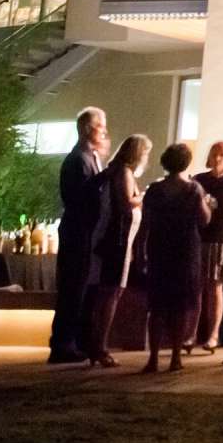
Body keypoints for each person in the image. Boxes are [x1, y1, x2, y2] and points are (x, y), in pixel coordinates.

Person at [139, 142, 212, 373]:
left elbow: (145, 224)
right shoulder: (193, 190)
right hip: (185, 250)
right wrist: (209, 205)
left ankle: (152, 358)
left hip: (159, 249)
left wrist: (139, 250)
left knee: (157, 306)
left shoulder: (154, 190)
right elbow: (204, 220)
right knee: (181, 306)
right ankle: (176, 357)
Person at [49, 106, 110, 364]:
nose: (105, 131)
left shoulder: (88, 157)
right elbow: (79, 197)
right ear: (87, 129)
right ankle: (63, 343)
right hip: (78, 232)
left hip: (86, 232)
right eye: (101, 126)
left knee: (80, 289)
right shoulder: (78, 160)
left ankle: (73, 341)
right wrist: (108, 174)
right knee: (73, 288)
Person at [84, 133, 150, 368]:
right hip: (117, 241)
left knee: (109, 293)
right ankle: (99, 346)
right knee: (111, 293)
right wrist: (143, 198)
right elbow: (124, 204)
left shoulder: (118, 171)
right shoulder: (124, 172)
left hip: (119, 240)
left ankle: (97, 345)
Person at [192, 139, 223, 354]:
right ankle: (192, 332)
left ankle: (213, 334)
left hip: (221, 239)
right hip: (200, 237)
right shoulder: (199, 180)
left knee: (215, 287)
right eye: (214, 154)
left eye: (222, 155)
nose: (218, 158)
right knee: (197, 288)